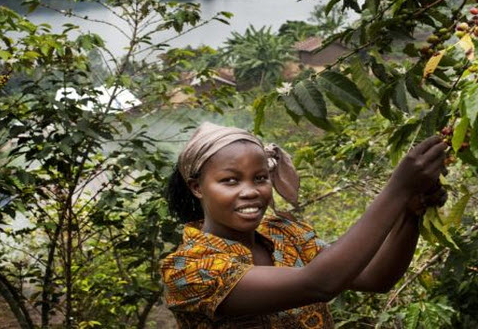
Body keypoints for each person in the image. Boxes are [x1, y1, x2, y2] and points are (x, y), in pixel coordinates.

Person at [160, 122, 448, 328]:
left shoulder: (283, 231)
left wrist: (410, 211)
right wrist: (397, 188)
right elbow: (320, 283)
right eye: (230, 181)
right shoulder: (190, 269)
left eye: (260, 178)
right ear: (197, 187)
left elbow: (375, 278)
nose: (250, 191)